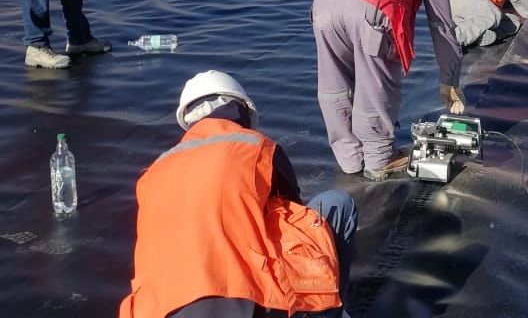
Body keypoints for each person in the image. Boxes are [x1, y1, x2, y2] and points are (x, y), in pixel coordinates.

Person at [120, 70, 358, 318]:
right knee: (337, 205)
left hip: (157, 309)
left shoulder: (153, 173)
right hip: (244, 303)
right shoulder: (256, 147)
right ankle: (331, 310)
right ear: (241, 110)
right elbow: (298, 222)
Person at [312, 0, 465, 181]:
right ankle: (379, 158)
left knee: (333, 80)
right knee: (375, 83)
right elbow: (442, 27)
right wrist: (449, 80)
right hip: (375, 8)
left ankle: (349, 158)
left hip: (323, 2)